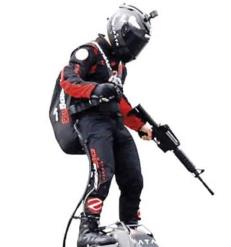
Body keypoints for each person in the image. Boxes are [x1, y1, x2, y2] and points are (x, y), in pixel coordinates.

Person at [59, 4, 157, 247]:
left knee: (133, 175)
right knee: (103, 172)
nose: (135, 49)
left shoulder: (119, 67)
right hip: (91, 120)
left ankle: (130, 225)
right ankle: (87, 230)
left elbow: (120, 102)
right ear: (119, 31)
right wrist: (95, 89)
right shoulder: (89, 51)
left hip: (113, 121)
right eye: (133, 41)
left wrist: (141, 125)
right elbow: (67, 80)